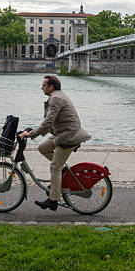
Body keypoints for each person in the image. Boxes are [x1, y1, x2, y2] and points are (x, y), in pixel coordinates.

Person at [19, 75, 91, 211]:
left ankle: (53, 200)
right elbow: (49, 122)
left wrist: (31, 134)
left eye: (44, 85)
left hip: (69, 136)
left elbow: (48, 121)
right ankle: (63, 171)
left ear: (51, 86)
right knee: (43, 147)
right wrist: (32, 130)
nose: (42, 88)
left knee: (54, 167)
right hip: (62, 134)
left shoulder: (56, 98)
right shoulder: (56, 96)